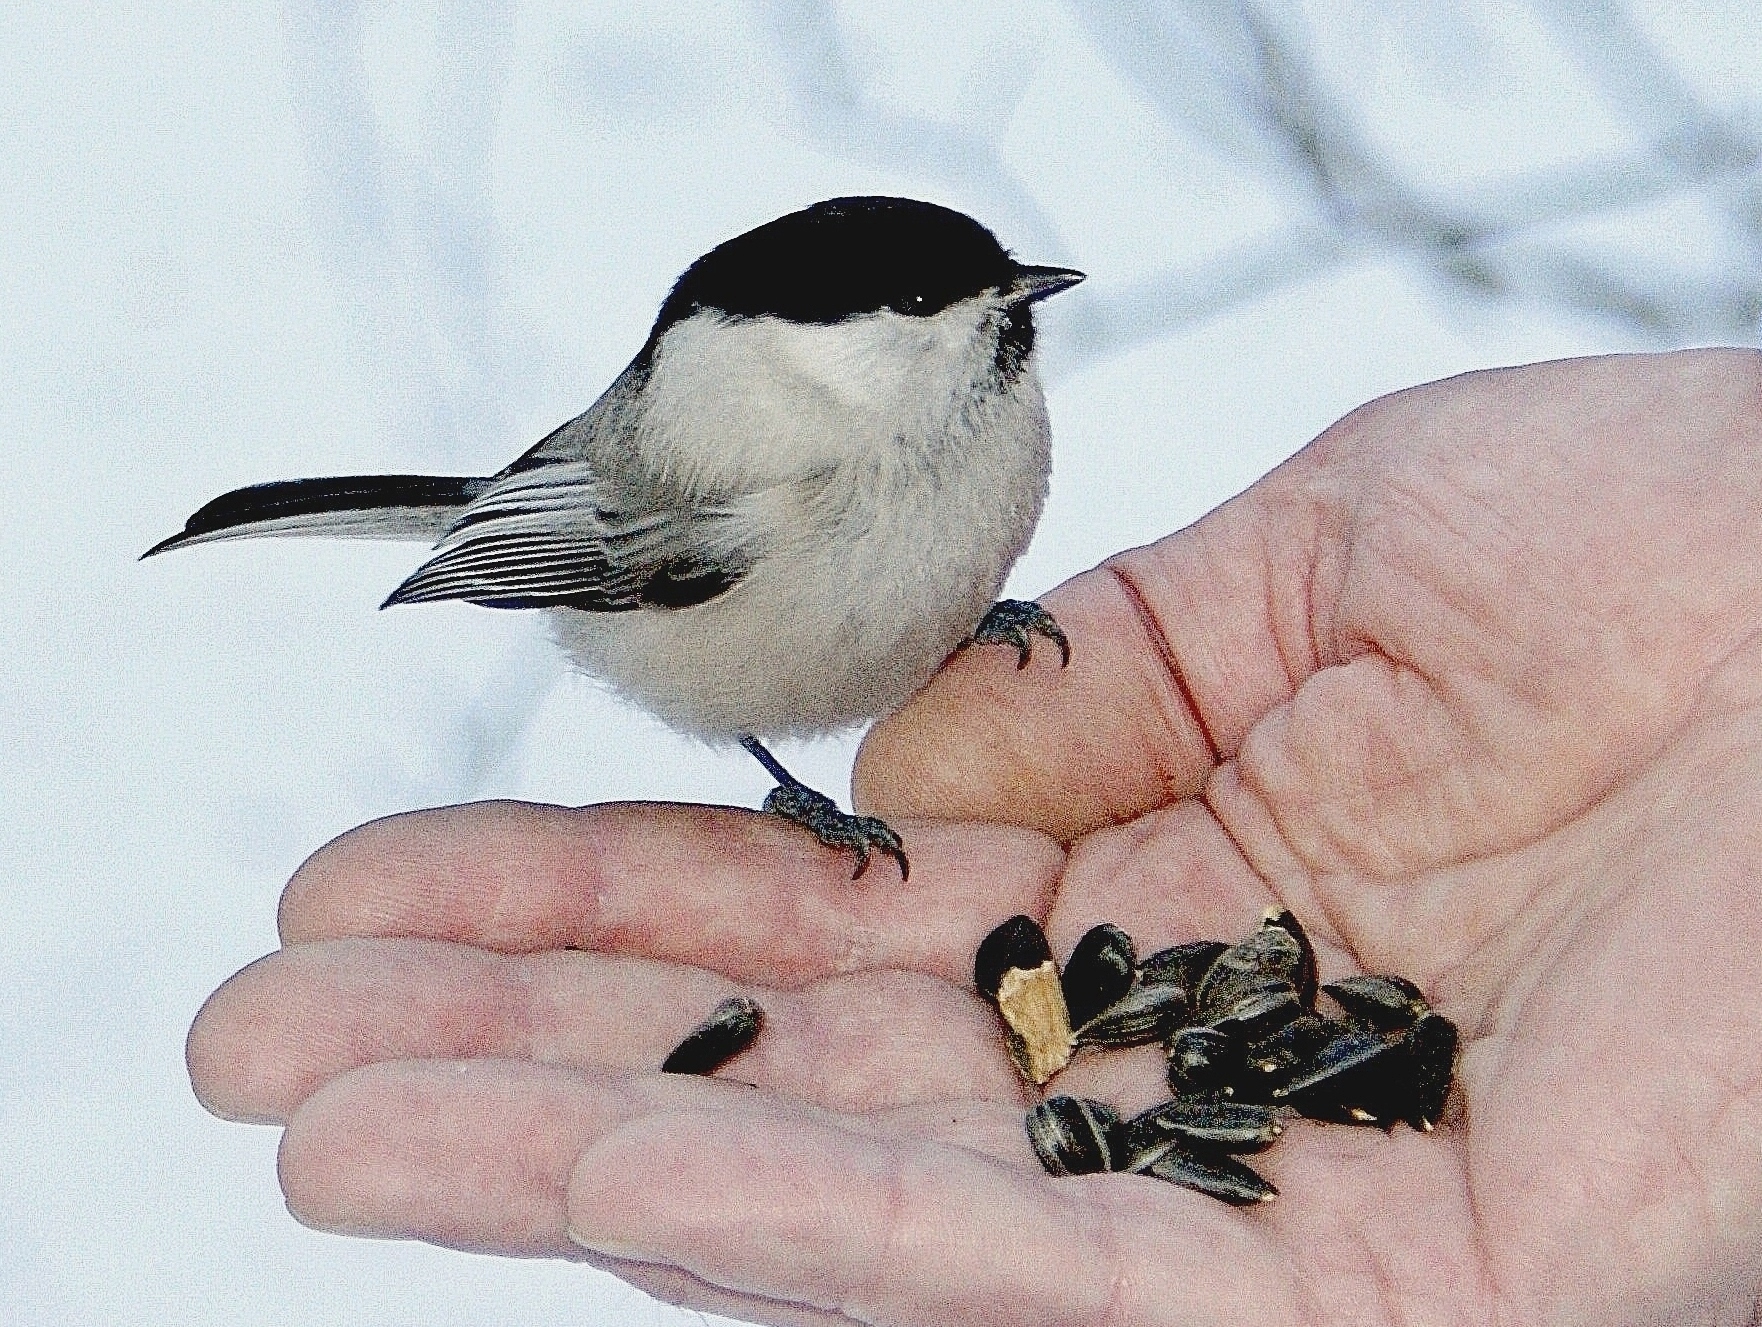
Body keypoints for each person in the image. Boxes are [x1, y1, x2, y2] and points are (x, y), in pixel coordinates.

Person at [187, 349, 1762, 1326]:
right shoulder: (731, 468)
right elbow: (559, 529)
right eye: (985, 321)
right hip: (687, 619)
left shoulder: (980, 428)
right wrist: (798, 795)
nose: (1015, 343)